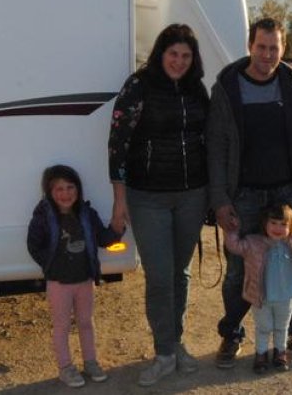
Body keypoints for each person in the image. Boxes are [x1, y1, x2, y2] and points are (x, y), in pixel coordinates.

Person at [208, 17, 292, 368]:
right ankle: (231, 334)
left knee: (285, 266)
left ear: (283, 48)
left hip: (285, 194)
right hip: (241, 195)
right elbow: (214, 147)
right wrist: (220, 200)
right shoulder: (227, 86)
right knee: (236, 272)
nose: (267, 54)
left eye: (274, 48)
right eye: (261, 46)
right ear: (250, 46)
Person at [107, 23, 210, 387]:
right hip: (147, 197)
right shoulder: (139, 85)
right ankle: (164, 352)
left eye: (186, 56)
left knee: (180, 274)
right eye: (173, 54)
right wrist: (119, 202)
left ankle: (175, 342)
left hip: (192, 195)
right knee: (160, 275)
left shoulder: (197, 90)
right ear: (160, 54)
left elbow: (208, 139)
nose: (179, 62)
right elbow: (117, 143)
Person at [26, 164, 123, 389]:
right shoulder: (43, 217)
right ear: (49, 192)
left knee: (86, 322)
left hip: (84, 280)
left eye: (70, 187)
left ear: (78, 190)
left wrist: (117, 230)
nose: (65, 193)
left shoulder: (87, 214)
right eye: (59, 189)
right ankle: (66, 368)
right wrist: (51, 265)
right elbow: (33, 245)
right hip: (58, 283)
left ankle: (90, 362)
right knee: (61, 325)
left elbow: (103, 239)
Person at [223, 203, 292, 373]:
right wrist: (232, 229)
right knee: (263, 327)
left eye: (284, 224)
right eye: (273, 223)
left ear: (291, 226)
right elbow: (234, 245)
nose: (278, 228)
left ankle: (280, 353)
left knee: (282, 327)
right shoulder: (253, 243)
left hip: (287, 297)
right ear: (264, 223)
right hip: (261, 297)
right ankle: (261, 354)